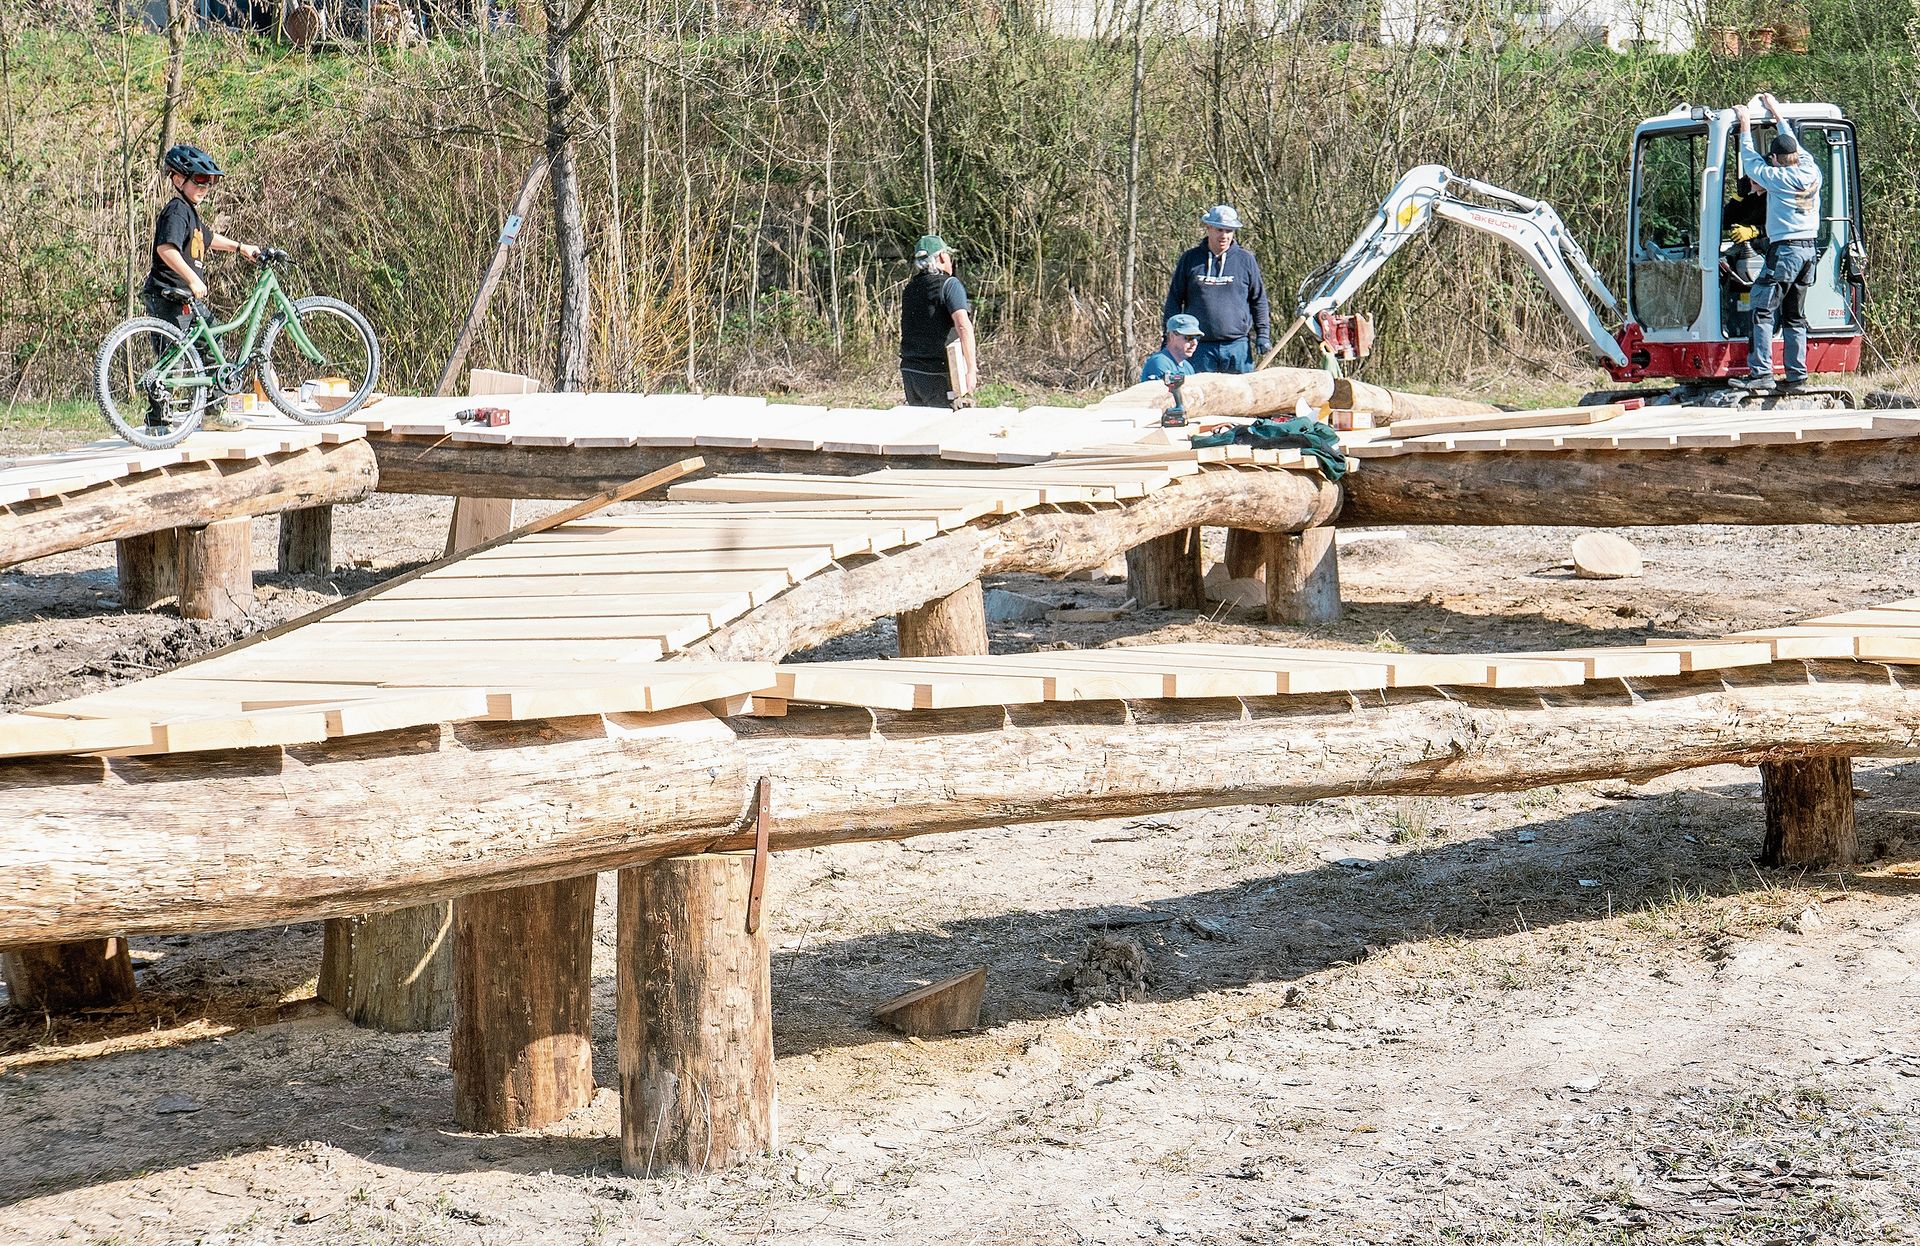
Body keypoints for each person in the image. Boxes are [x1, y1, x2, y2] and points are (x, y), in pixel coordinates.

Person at [145, 143, 264, 428]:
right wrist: (193, 278)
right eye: (199, 179)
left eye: (210, 181)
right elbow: (166, 249)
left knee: (213, 344)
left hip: (186, 297)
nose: (206, 186)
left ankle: (212, 413)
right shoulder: (176, 211)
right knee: (172, 362)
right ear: (177, 179)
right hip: (169, 295)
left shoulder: (190, 212)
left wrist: (240, 247)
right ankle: (157, 422)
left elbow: (208, 239)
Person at [1729, 94, 1823, 393]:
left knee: (1762, 308)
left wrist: (1745, 124)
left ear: (1775, 160)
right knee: (1794, 315)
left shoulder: (1776, 178)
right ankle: (1797, 377)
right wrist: (1777, 113)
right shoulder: (1811, 170)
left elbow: (1748, 159)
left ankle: (1761, 373)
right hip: (1809, 251)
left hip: (1785, 252)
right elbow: (1790, 141)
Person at [1163, 204, 1271, 375]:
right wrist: (1169, 338)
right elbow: (1174, 301)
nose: (1224, 235)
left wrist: (1263, 335)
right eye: (1219, 229)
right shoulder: (1190, 259)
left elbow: (1258, 301)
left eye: (1229, 231)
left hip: (1238, 347)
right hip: (1199, 347)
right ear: (1208, 227)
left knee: (1241, 398)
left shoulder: (1246, 260)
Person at [898, 234, 978, 409]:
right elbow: (963, 326)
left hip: (910, 372)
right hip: (940, 373)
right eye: (948, 255)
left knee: (920, 432)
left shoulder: (910, 289)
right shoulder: (950, 285)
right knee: (946, 431)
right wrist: (971, 370)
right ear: (942, 257)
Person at [1140, 313, 1201, 383]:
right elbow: (1166, 387)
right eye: (1189, 337)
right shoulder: (1159, 362)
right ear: (1172, 336)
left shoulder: (1188, 367)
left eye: (1197, 338)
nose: (1194, 343)